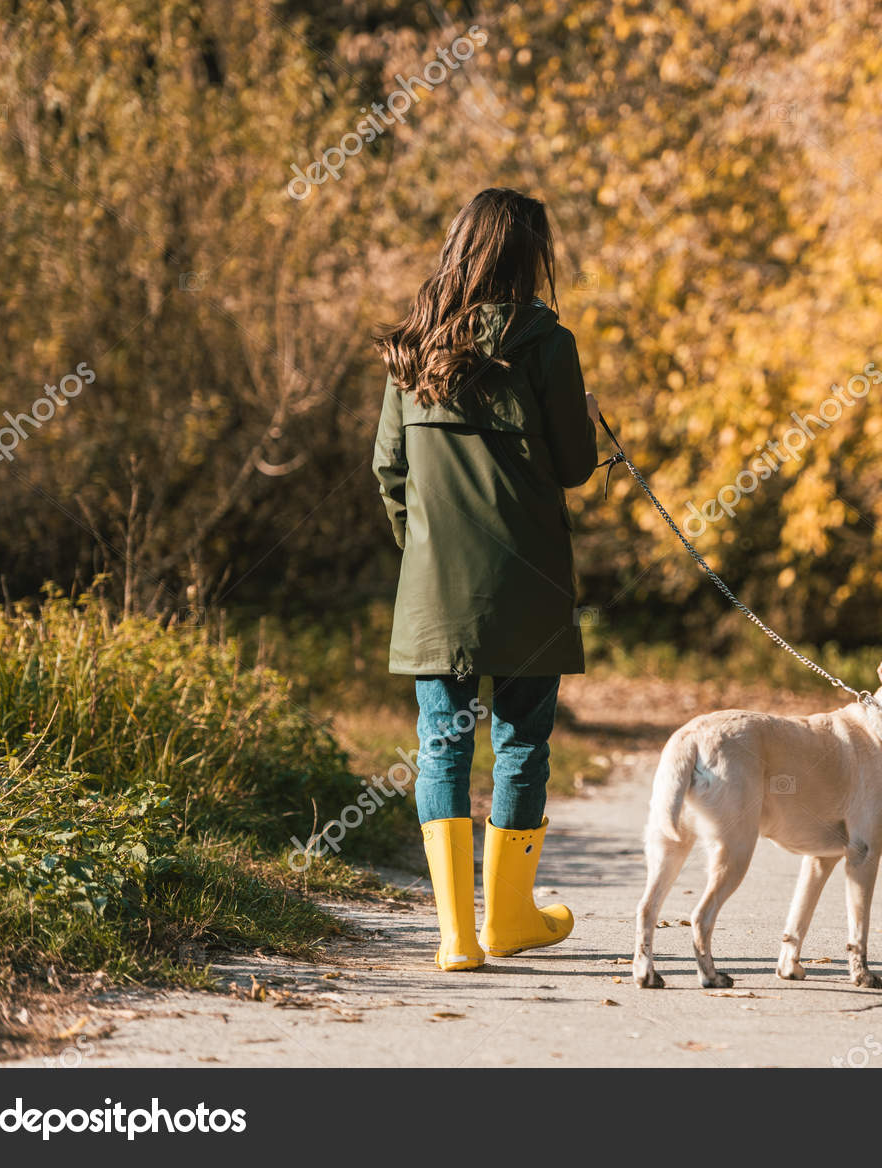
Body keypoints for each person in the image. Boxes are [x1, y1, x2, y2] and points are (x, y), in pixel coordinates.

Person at [371, 187, 600, 971]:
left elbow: (388, 471)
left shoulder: (412, 348)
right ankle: (508, 920)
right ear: (526, 255)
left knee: (440, 747)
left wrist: (424, 551)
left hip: (435, 592)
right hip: (531, 582)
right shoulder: (547, 343)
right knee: (522, 743)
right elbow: (574, 467)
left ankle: (454, 936)